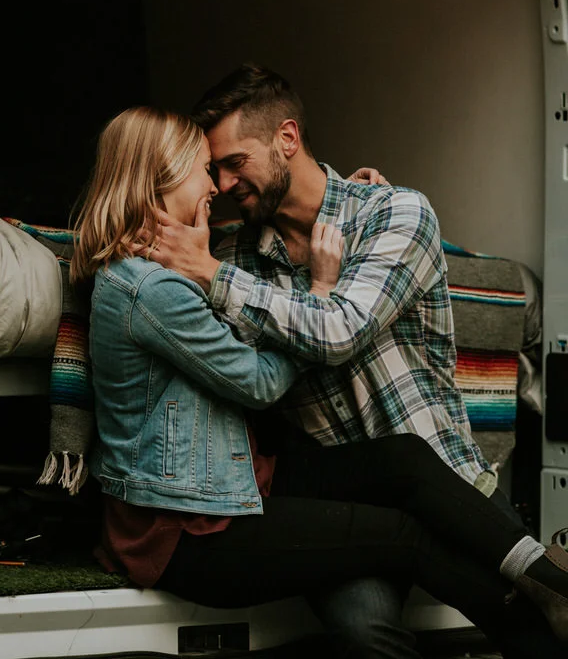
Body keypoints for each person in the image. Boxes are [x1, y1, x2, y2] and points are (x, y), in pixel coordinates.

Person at [72, 106, 568, 659]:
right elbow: (262, 382)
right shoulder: (156, 288)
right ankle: (545, 630)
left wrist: (349, 200)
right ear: (158, 179)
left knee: (404, 459)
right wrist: (321, 289)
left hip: (237, 487)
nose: (216, 185)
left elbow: (285, 246)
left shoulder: (192, 264)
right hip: (194, 526)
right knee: (403, 537)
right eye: (204, 169)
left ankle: (553, 587)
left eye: (228, 166)